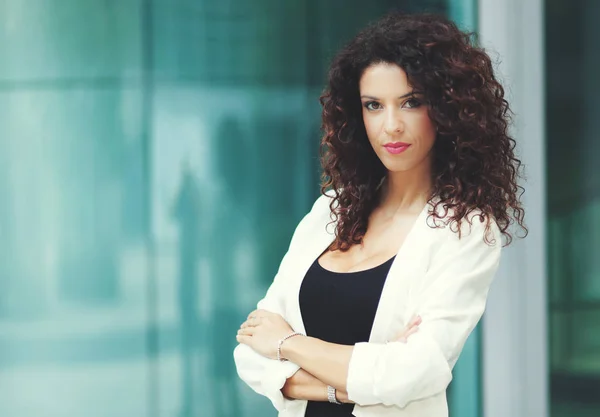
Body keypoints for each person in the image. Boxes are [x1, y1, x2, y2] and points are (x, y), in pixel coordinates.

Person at [233, 11, 526, 417]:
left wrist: (289, 345)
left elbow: (416, 373)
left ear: (446, 110)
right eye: (373, 105)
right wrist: (358, 384)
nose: (391, 126)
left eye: (411, 102)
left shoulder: (466, 229)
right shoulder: (329, 213)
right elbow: (250, 350)